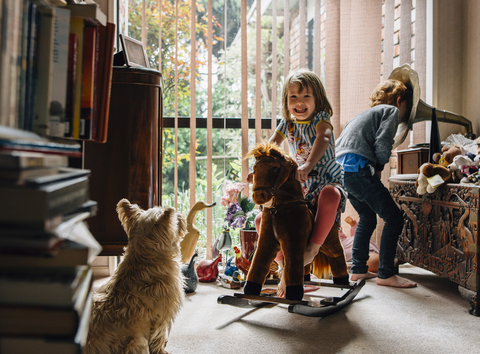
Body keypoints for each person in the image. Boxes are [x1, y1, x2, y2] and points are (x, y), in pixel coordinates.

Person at [253, 69, 348, 297]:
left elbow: (323, 139)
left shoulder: (320, 119)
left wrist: (307, 165)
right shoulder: (287, 124)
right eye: (293, 97)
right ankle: (285, 267)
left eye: (306, 96)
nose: (300, 102)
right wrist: (255, 171)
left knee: (330, 194)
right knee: (262, 219)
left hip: (325, 180)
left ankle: (312, 250)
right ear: (286, 101)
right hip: (301, 189)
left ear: (318, 100)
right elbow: (270, 149)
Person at [335, 79, 417, 288]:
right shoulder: (391, 111)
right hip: (360, 172)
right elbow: (383, 143)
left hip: (345, 175)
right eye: (406, 105)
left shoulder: (360, 116)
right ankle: (386, 274)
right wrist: (381, 162)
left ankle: (359, 270)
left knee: (367, 218)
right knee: (394, 217)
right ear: (399, 100)